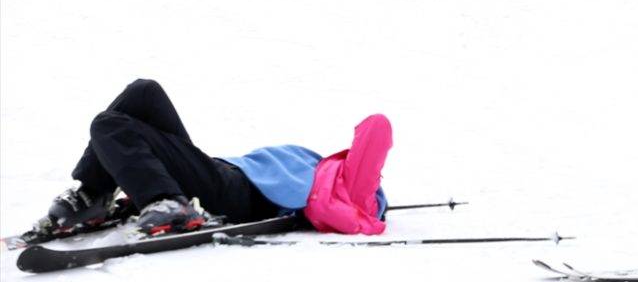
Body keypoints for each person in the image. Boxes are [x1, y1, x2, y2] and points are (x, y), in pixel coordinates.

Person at [29, 79, 392, 239]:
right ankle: (94, 194)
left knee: (109, 125)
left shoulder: (354, 198)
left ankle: (166, 202)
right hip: (219, 174)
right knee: (144, 92)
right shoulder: (324, 168)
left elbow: (378, 129)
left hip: (234, 195)